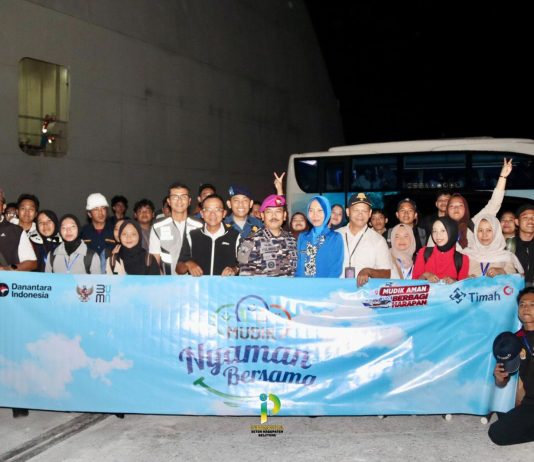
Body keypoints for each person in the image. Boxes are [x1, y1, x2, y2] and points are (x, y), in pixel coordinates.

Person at [488, 287, 534, 446]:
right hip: (531, 403)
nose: (526, 308)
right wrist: (499, 377)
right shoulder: (512, 341)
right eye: (522, 304)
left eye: (532, 304)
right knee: (497, 433)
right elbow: (502, 381)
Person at [435, 158, 513, 249]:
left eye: (460, 205)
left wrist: (503, 177)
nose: (456, 208)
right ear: (447, 210)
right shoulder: (439, 228)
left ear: (466, 209)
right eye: (452, 206)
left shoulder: (474, 224)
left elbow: (494, 203)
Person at [177, 194, 240, 276]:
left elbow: (242, 265)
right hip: (198, 284)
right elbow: (179, 269)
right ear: (202, 213)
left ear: (224, 213)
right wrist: (188, 264)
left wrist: (234, 269)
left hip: (225, 284)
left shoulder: (235, 236)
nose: (212, 214)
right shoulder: (192, 236)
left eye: (217, 209)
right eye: (208, 210)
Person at [336, 193, 391, 286]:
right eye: (356, 210)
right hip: (337, 290)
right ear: (348, 212)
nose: (360, 214)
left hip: (364, 292)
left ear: (369, 213)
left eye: (364, 211)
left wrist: (369, 271)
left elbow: (387, 274)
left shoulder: (378, 240)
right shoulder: (335, 235)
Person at [150, 182, 202, 275]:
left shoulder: (200, 225)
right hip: (167, 280)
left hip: (194, 280)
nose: (179, 200)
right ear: (169, 201)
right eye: (175, 197)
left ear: (189, 201)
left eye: (183, 197)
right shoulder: (157, 226)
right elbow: (155, 261)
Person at [238, 194, 297, 276]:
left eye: (278, 211)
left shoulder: (293, 240)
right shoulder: (250, 242)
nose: (274, 216)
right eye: (269, 212)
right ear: (262, 216)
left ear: (284, 216)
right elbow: (245, 278)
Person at [296, 195, 343, 278]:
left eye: (320, 210)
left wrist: (322, 286)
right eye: (311, 210)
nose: (315, 215)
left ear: (327, 212)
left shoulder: (335, 238)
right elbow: (299, 268)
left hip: (325, 285)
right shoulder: (302, 237)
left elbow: (335, 271)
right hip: (303, 285)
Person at [413, 217, 469, 283]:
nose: (438, 235)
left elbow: (463, 286)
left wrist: (455, 282)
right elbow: (414, 283)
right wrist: (425, 275)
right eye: (434, 231)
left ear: (451, 231)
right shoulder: (423, 252)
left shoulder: (462, 259)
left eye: (443, 231)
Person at [0, 189, 37, 272]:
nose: (27, 212)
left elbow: (32, 263)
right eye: (23, 208)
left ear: (4, 207)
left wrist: (8, 268)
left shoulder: (16, 231)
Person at [80, 193, 116, 273]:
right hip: (88, 274)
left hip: (110, 274)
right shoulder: (82, 232)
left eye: (103, 208)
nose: (101, 212)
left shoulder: (115, 230)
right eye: (96, 209)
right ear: (89, 214)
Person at [509, 204, 534, 287]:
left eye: (533, 217)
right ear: (517, 222)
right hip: (514, 290)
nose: (530, 220)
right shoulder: (508, 245)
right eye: (525, 217)